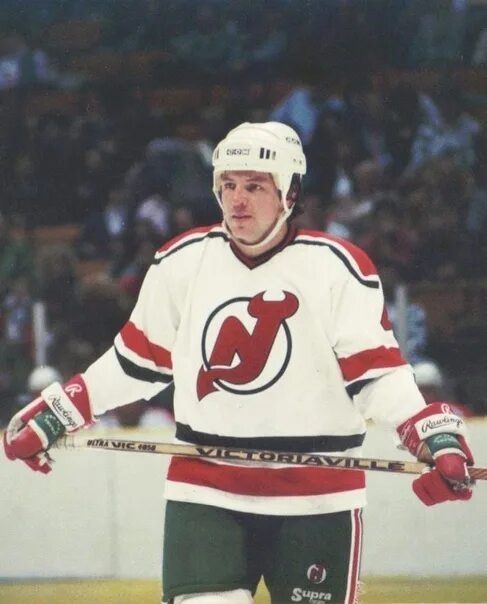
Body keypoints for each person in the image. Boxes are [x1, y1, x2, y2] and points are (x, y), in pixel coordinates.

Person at [3, 122, 475, 604]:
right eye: (227, 185)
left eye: (254, 186)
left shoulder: (337, 267)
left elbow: (376, 375)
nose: (237, 200)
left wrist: (429, 434)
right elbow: (134, 364)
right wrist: (60, 411)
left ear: (289, 192)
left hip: (317, 495)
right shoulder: (181, 262)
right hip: (207, 489)